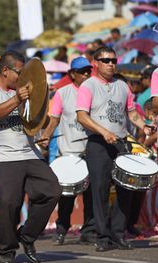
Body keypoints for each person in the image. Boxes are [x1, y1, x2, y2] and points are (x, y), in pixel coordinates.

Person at [0, 50, 61, 263]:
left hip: (29, 154)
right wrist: (17, 99)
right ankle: (7, 249)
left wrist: (45, 133)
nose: (23, 78)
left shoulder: (24, 93)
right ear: (5, 71)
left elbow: (44, 118)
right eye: (20, 73)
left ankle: (28, 235)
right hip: (2, 157)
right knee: (8, 203)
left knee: (52, 190)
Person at [76, 46, 153, 252]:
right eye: (106, 60)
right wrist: (103, 132)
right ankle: (102, 237)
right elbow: (81, 116)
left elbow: (131, 113)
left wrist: (143, 125)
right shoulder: (88, 86)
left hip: (120, 143)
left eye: (113, 60)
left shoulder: (122, 85)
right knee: (99, 191)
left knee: (125, 190)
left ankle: (118, 234)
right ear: (96, 63)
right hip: (98, 144)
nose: (111, 64)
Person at [40, 57, 96, 246]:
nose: (87, 75)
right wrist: (46, 136)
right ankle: (62, 229)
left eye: (89, 71)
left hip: (92, 151)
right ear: (72, 74)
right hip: (70, 152)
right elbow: (54, 119)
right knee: (67, 196)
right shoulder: (63, 93)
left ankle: (88, 231)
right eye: (82, 72)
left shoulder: (96, 90)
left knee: (92, 196)